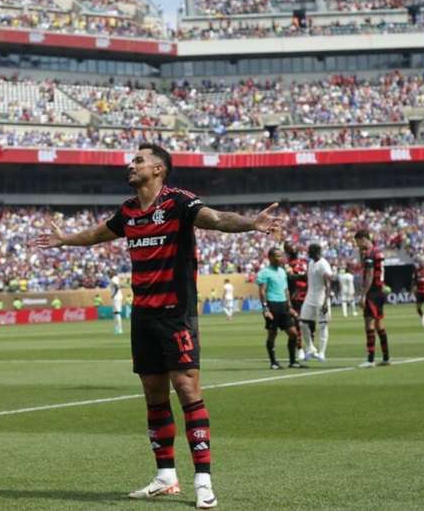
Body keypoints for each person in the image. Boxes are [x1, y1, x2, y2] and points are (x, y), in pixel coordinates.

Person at [37, 143, 283, 509]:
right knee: (153, 394)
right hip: (143, 316)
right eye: (131, 159)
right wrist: (65, 240)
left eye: (138, 160)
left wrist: (252, 224)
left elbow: (216, 219)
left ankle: (203, 481)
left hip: (176, 313)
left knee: (187, 389)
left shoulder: (179, 202)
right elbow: (98, 234)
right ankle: (166, 475)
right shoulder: (128, 211)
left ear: (158, 170)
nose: (130, 164)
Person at [257, 248, 304, 370]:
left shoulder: (282, 272)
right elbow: (262, 291)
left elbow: (286, 290)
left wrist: (290, 307)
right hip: (272, 305)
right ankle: (273, 362)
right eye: (277, 256)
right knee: (272, 334)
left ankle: (292, 361)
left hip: (283, 305)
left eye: (281, 256)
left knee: (293, 333)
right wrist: (265, 308)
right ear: (270, 257)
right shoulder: (264, 273)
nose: (281, 258)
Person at [355, 230, 391, 368]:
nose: (357, 245)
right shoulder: (378, 252)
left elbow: (369, 275)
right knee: (379, 325)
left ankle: (370, 360)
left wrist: (363, 295)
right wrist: (361, 254)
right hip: (380, 291)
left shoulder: (370, 254)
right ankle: (386, 357)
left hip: (372, 292)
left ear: (363, 239)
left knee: (369, 325)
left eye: (358, 242)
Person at [300, 243, 333, 362]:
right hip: (310, 297)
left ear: (315, 252)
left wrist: (326, 302)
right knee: (303, 323)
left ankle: (322, 353)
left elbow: (328, 284)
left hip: (321, 298)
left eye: (309, 251)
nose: (307, 253)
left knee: (323, 325)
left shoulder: (323, 264)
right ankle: (310, 348)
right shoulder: (311, 262)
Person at [283, 242, 307, 362]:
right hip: (294, 297)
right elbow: (290, 277)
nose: (294, 249)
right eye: (290, 248)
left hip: (306, 296)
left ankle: (310, 347)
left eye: (294, 246)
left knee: (309, 324)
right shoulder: (286, 264)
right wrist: (302, 277)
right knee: (297, 324)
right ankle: (300, 348)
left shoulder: (303, 262)